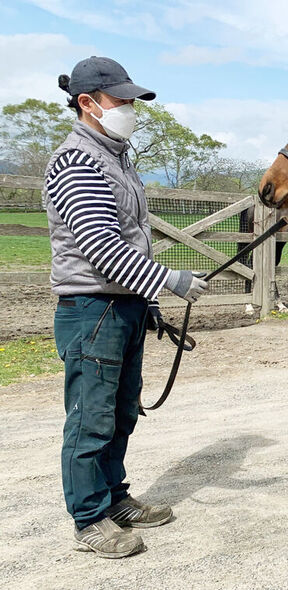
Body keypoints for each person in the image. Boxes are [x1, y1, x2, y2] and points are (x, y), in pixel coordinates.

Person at [43, 56, 209, 558]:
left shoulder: (118, 158)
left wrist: (148, 299)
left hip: (124, 307)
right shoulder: (77, 162)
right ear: (88, 104)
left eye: (133, 100)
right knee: (90, 417)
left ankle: (114, 498)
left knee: (120, 412)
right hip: (92, 309)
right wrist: (171, 280)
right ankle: (89, 519)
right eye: (123, 100)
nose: (131, 109)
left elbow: (133, 239)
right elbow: (103, 248)